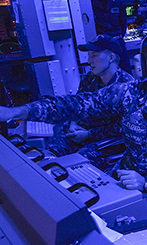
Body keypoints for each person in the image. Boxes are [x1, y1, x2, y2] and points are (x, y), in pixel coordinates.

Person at [0, 29, 147, 196]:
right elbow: (76, 105)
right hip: (120, 176)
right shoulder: (127, 93)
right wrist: (18, 112)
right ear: (144, 64)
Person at [46, 35, 134, 172]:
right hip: (84, 130)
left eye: (94, 55)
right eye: (88, 55)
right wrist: (74, 123)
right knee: (54, 148)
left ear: (111, 58)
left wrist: (89, 134)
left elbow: (123, 127)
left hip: (109, 138)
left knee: (80, 160)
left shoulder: (128, 86)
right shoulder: (90, 79)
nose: (89, 61)